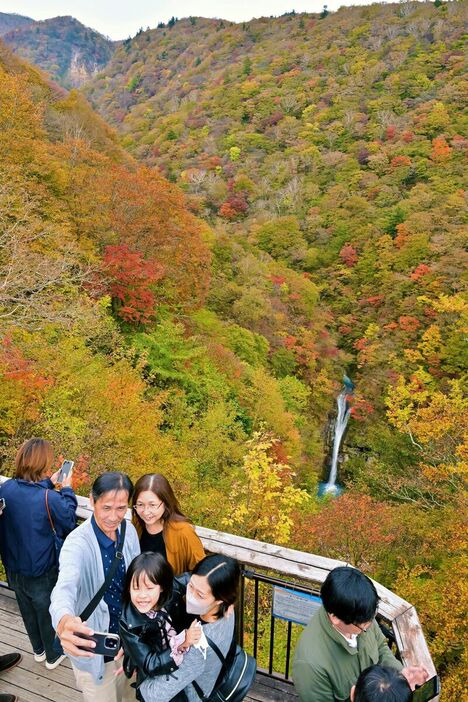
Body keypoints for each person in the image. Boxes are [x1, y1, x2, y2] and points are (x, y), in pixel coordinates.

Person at [50, 472, 140, 702]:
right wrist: (63, 620)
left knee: (131, 696)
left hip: (128, 643)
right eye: (107, 507)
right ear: (92, 500)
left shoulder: (128, 531)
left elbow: (137, 581)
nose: (113, 516)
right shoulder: (77, 543)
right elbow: (65, 586)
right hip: (95, 650)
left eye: (121, 508)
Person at [292, 567, 428, 702]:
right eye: (363, 625)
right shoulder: (310, 667)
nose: (370, 624)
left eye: (372, 617)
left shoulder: (360, 614)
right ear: (336, 619)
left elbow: (380, 648)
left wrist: (398, 678)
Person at [0, 438, 77, 670]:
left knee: (26, 608)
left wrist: (47, 483)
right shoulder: (50, 498)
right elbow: (68, 521)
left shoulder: (6, 488)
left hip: (13, 566)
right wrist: (68, 489)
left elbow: (27, 496)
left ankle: (38, 650)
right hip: (41, 570)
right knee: (46, 612)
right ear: (44, 463)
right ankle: (53, 655)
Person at [138, 554, 240, 702]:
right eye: (191, 586)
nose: (190, 595)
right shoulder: (228, 610)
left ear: (219, 599)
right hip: (213, 675)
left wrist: (140, 664)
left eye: (200, 594)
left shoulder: (198, 646)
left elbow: (154, 695)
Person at [119, 552, 201, 687]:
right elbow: (150, 664)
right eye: (136, 588)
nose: (142, 596)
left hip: (185, 660)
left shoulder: (171, 590)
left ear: (162, 587)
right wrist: (182, 642)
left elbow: (192, 581)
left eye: (149, 588)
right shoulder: (128, 623)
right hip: (159, 676)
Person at [132, 474, 205, 576]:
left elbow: (203, 571)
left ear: (165, 502)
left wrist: (175, 586)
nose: (146, 512)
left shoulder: (183, 531)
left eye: (152, 505)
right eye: (140, 504)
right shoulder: (136, 525)